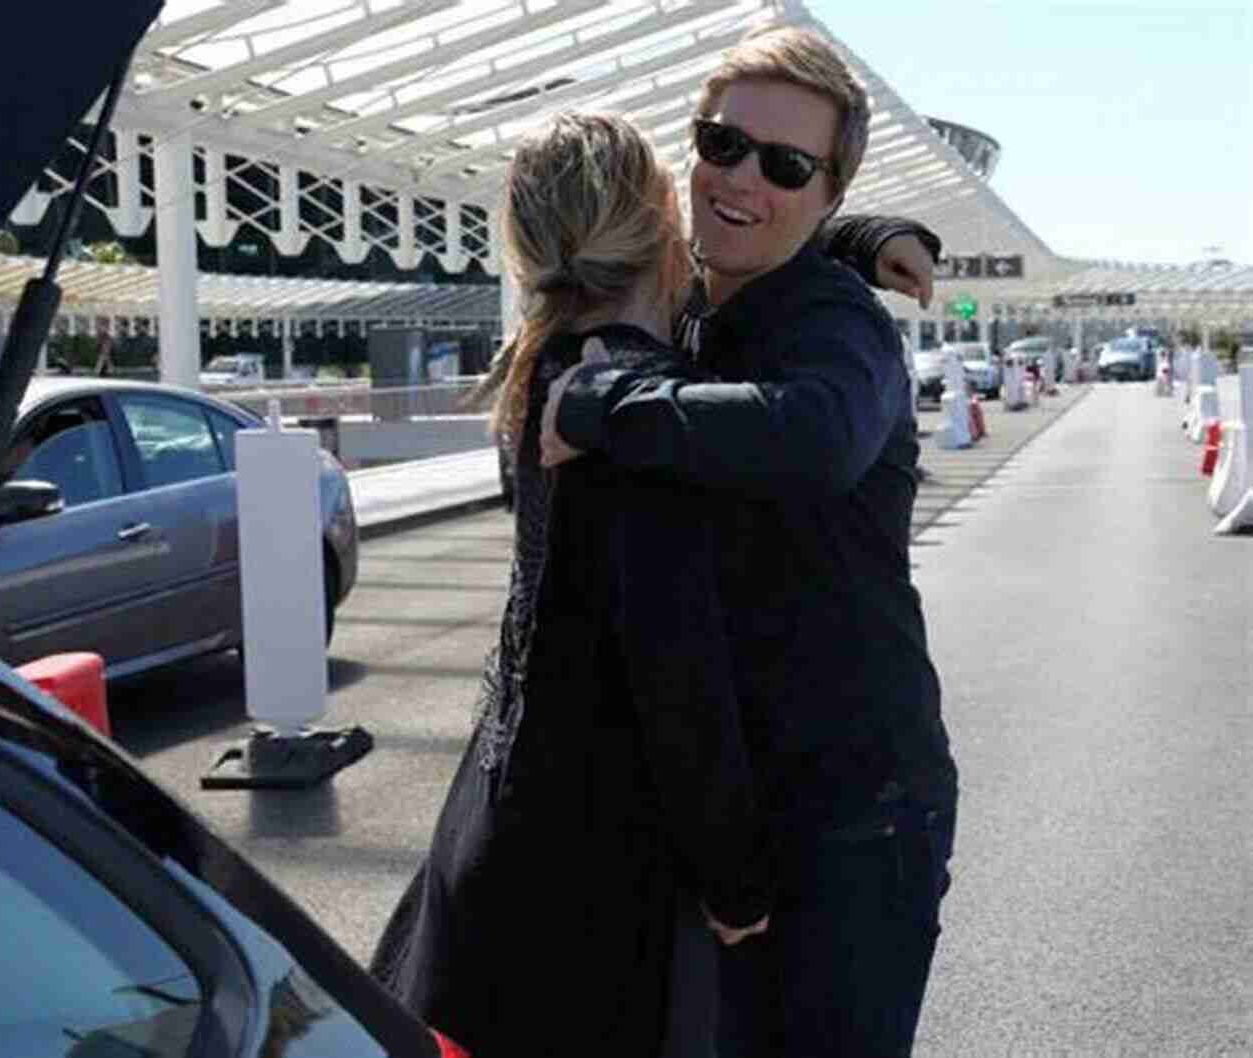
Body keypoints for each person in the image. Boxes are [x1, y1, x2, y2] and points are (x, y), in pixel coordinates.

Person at [541, 24, 958, 1057]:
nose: (740, 179)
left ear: (823, 190)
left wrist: (604, 401)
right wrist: (852, 224)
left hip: (853, 819)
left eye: (783, 165)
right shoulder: (693, 300)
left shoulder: (837, 326)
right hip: (732, 812)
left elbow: (813, 435)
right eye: (721, 144)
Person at [369, 111, 774, 1058]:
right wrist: (736, 876)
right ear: (663, 219)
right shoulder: (641, 410)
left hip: (498, 833)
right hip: (592, 881)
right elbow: (673, 665)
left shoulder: (546, 371)